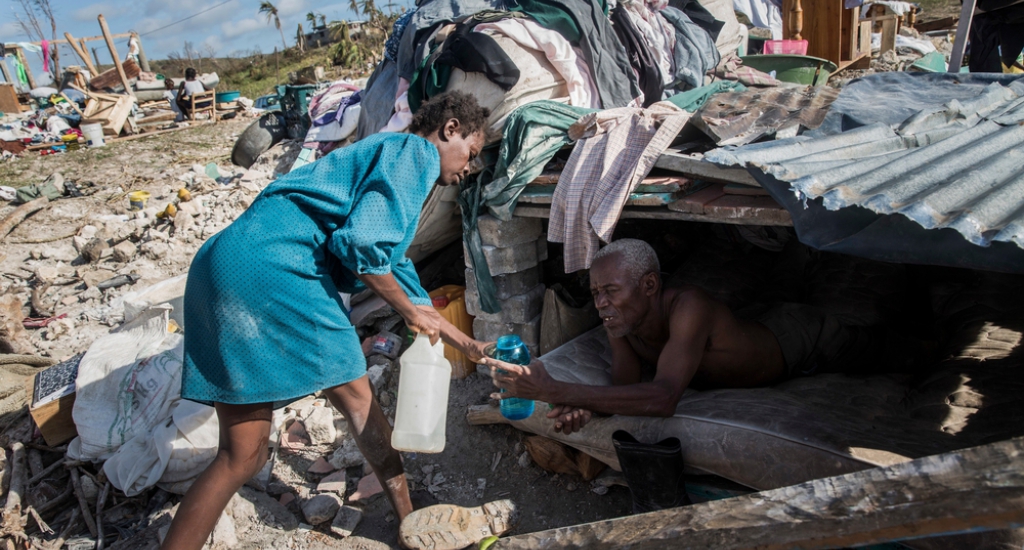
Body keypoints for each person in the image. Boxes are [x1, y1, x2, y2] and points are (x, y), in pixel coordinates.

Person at [161, 91, 491, 550]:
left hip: (224, 262)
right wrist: (410, 311)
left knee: (242, 453)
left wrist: (468, 345)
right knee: (357, 399)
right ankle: (409, 517)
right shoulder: (413, 153)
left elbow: (394, 270)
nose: (468, 167)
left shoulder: (383, 153)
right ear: (449, 130)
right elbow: (361, 250)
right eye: (470, 153)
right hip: (281, 268)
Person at [484, 238, 888, 435]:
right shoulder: (620, 322)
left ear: (649, 285)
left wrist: (558, 389)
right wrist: (589, 409)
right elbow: (626, 387)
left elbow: (662, 398)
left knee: (892, 352)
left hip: (795, 339)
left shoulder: (688, 307)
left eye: (611, 292)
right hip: (753, 329)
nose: (601, 304)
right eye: (595, 294)